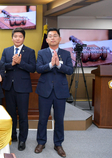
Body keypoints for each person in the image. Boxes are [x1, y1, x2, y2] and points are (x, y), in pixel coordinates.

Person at [34, 28, 73, 157]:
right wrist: (51, 65)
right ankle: (41, 142)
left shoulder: (66, 54)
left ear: (59, 39)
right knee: (43, 119)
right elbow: (38, 68)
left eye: (55, 36)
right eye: (50, 36)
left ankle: (58, 144)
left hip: (60, 91)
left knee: (59, 119)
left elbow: (70, 70)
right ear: (46, 40)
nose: (52, 38)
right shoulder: (42, 53)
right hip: (45, 90)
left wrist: (59, 65)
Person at [1, 27, 36, 151]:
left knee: (22, 115)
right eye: (15, 36)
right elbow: (2, 66)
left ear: (24, 38)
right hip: (9, 87)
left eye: (20, 37)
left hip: (23, 88)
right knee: (10, 114)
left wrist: (20, 63)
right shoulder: (6, 50)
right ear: (12, 38)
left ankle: (22, 140)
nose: (17, 39)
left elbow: (33, 68)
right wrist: (12, 64)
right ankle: (12, 135)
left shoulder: (30, 51)